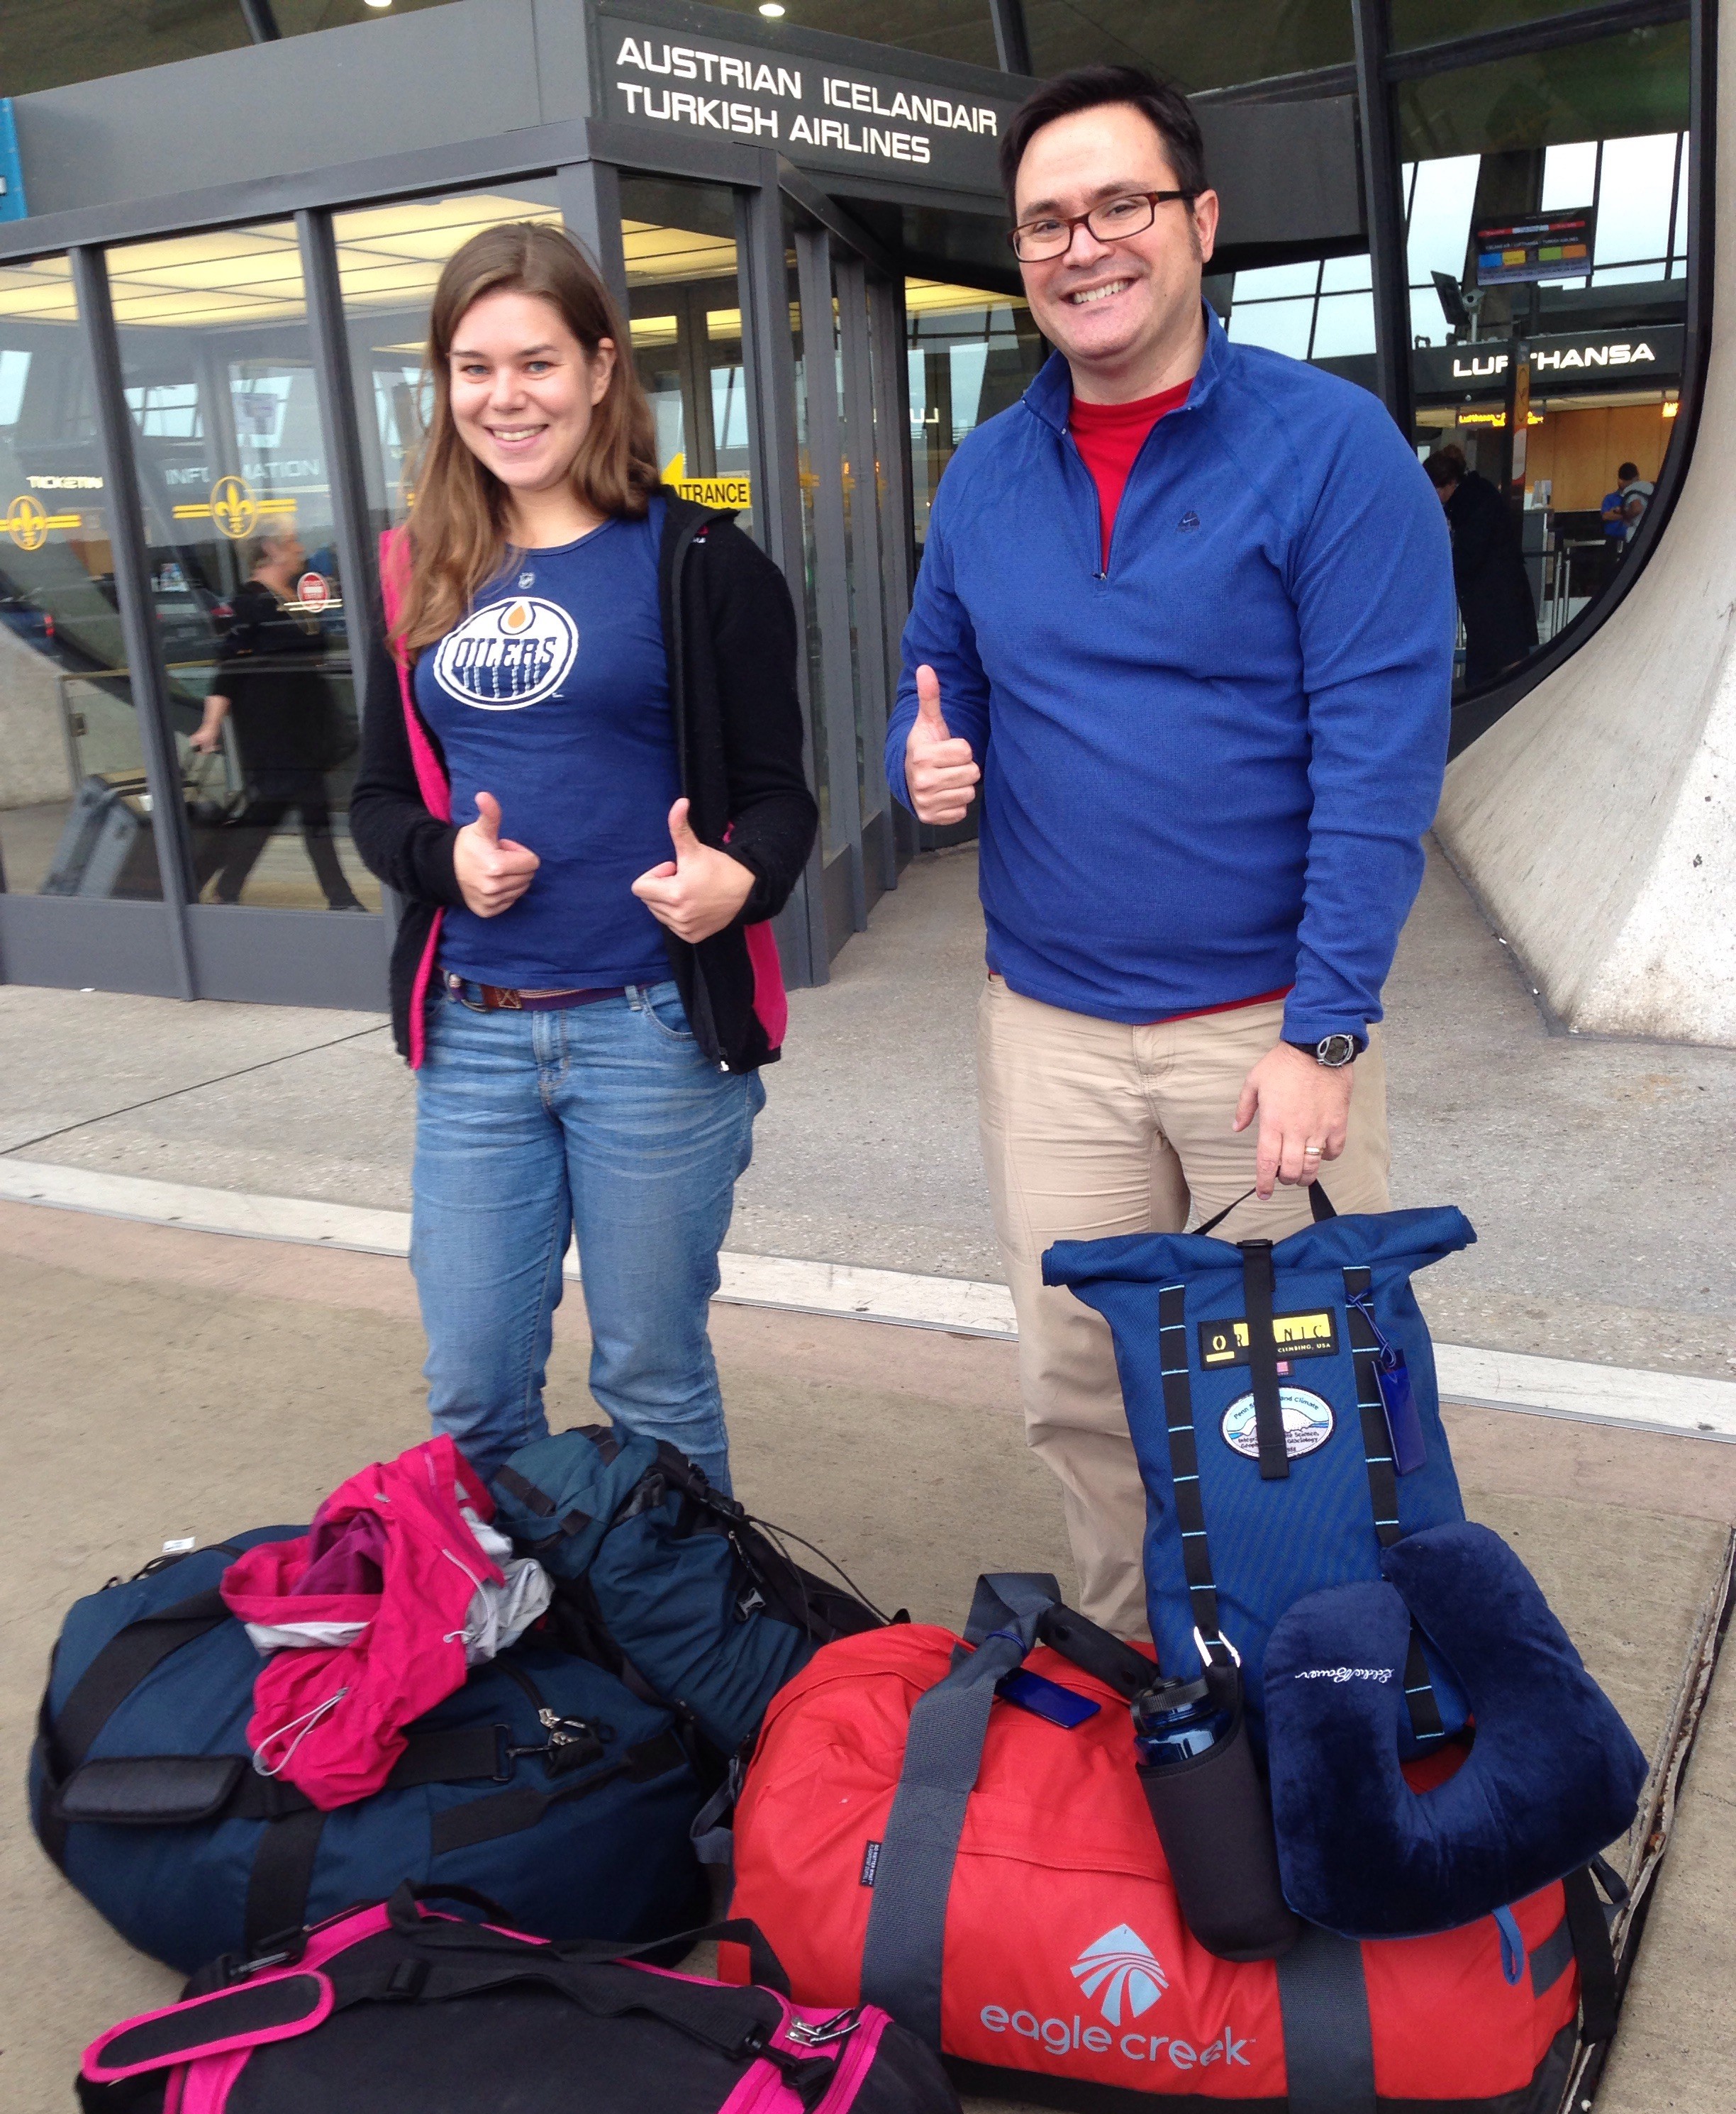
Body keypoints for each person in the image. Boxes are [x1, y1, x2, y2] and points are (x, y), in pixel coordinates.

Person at [885, 64, 1455, 1640]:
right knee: (1078, 1390)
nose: (1084, 246)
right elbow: (939, 682)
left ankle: (1323, 1713)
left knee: (1298, 1409)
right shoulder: (990, 474)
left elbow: (1379, 762)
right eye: (1046, 222)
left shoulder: (1332, 452)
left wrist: (1323, 1030)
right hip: (1050, 1030)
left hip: (1258, 1037)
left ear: (1199, 222)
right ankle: (1155, 1696)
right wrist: (920, 762)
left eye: (1119, 205)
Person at [350, 223, 816, 1491]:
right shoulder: (416, 570)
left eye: (538, 362)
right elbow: (379, 800)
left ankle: (683, 1663)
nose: (507, 397)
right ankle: (526, 1643)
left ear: (602, 369)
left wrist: (738, 880)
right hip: (476, 1037)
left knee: (651, 1378)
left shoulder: (705, 562)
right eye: (473, 366)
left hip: (651, 1032)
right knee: (474, 1384)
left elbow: (779, 801)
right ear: (444, 385)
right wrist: (447, 861)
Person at [189, 525, 364, 909]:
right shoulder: (248, 601)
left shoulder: (294, 595)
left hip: (301, 720)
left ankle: (221, 885)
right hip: (269, 724)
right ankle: (340, 897)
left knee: (271, 809)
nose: (301, 549)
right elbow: (227, 667)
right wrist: (211, 724)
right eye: (293, 542)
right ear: (270, 549)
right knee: (305, 806)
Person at [1423, 449, 1537, 686]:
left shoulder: (1472, 505)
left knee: (1505, 667)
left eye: (1434, 490)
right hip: (1494, 600)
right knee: (1497, 665)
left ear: (1450, 484)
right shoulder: (1475, 497)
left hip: (1495, 600)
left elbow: (1469, 554)